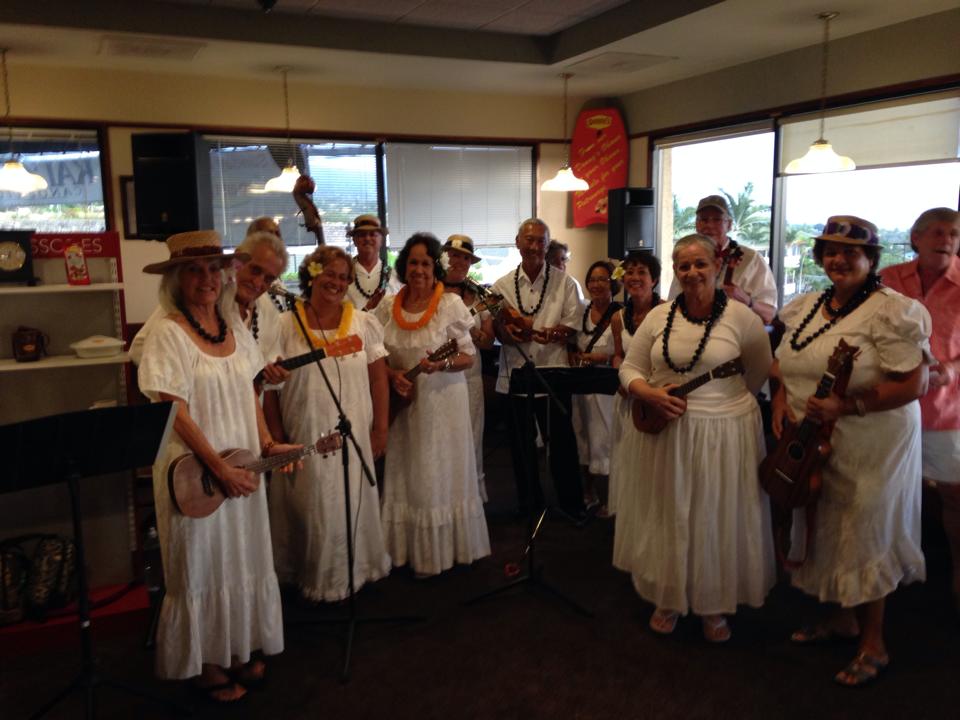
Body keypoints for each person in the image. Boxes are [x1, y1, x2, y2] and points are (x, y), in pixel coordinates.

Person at [137, 231, 299, 702]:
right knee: (202, 564)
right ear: (175, 279)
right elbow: (174, 411)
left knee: (241, 556)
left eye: (213, 268)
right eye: (194, 270)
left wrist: (267, 444)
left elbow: (249, 390)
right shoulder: (167, 332)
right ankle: (207, 665)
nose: (206, 279)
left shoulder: (231, 325)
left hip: (242, 465)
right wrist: (218, 469)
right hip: (196, 471)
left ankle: (235, 648)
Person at [772, 215, 930, 687]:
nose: (838, 259)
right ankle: (842, 620)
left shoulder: (892, 310)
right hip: (814, 439)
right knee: (827, 527)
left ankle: (874, 642)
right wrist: (781, 402)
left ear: (871, 259)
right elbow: (784, 367)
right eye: (830, 251)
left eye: (851, 252)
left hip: (874, 441)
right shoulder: (807, 307)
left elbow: (914, 382)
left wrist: (849, 404)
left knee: (864, 530)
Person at [617, 234, 774, 643]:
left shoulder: (743, 318)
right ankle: (668, 596)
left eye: (700, 264)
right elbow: (629, 368)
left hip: (726, 434)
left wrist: (718, 409)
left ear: (716, 267)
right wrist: (648, 392)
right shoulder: (658, 317)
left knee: (715, 515)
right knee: (670, 510)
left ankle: (714, 604)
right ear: (675, 271)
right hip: (666, 432)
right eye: (683, 266)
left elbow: (758, 374)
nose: (691, 272)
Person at [265, 245, 392, 601]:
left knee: (350, 501)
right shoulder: (284, 324)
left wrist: (380, 429)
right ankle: (313, 578)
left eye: (343, 277)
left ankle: (353, 573)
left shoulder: (364, 324)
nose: (336, 283)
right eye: (330, 274)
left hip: (353, 435)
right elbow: (269, 390)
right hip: (302, 433)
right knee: (313, 506)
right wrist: (276, 441)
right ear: (312, 274)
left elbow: (379, 381)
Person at [375, 233, 490, 577]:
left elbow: (468, 356)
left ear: (435, 267)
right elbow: (376, 357)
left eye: (426, 263)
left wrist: (441, 364)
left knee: (435, 472)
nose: (419, 269)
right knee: (408, 471)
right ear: (403, 265)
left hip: (443, 404)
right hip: (404, 405)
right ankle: (406, 549)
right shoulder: (386, 307)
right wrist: (393, 373)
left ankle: (441, 552)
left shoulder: (450, 305)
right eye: (413, 262)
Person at [880, 208, 960, 613]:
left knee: (954, 494)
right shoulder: (890, 279)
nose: (946, 239)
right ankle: (890, 569)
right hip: (892, 405)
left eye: (954, 233)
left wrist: (953, 368)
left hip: (948, 409)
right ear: (916, 238)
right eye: (937, 232)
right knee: (892, 491)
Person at [491, 219, 586, 521]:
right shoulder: (500, 287)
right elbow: (496, 330)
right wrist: (507, 333)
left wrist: (540, 333)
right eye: (528, 240)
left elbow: (571, 327)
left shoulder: (566, 283)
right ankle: (529, 505)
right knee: (521, 450)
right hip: (515, 374)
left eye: (540, 241)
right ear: (517, 242)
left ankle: (571, 505)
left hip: (553, 373)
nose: (533, 246)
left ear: (547, 245)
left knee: (562, 445)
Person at [130, 224, 289, 384]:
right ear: (237, 261)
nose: (257, 282)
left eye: (268, 279)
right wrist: (197, 376)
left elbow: (265, 367)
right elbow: (138, 349)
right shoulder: (199, 299)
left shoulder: (268, 312)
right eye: (255, 270)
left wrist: (273, 376)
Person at [608, 250, 662, 527]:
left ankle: (652, 517)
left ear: (654, 279)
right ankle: (629, 516)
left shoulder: (667, 312)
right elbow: (618, 355)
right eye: (630, 272)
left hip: (654, 400)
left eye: (642, 272)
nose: (635, 277)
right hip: (627, 397)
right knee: (626, 455)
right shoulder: (618, 317)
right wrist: (623, 376)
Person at [441, 234, 495, 501]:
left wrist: (470, 331)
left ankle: (472, 497)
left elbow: (487, 342)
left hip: (471, 375)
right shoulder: (431, 291)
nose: (459, 261)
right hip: (440, 375)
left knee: (472, 435)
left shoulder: (479, 296)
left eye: (465, 257)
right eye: (454, 255)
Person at [668, 195, 777, 324]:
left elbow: (769, 315)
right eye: (703, 219)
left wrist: (747, 300)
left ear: (729, 224)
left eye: (717, 219)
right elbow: (673, 303)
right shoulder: (687, 259)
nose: (709, 225)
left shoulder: (751, 259)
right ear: (697, 225)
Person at [569, 260, 622, 515]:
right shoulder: (580, 312)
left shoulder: (621, 314)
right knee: (583, 437)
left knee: (605, 440)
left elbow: (627, 354)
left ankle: (611, 498)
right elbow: (570, 343)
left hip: (606, 387)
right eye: (592, 280)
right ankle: (587, 492)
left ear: (613, 283)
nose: (596, 284)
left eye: (602, 279)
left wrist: (599, 359)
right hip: (581, 385)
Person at [345, 214, 403, 311]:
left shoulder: (395, 277)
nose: (367, 238)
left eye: (373, 234)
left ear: (381, 240)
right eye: (362, 235)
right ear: (354, 240)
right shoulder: (343, 276)